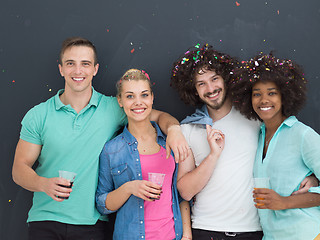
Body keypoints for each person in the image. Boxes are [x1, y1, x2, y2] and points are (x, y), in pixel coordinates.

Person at [12, 37, 189, 240]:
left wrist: (174, 130)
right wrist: (43, 184)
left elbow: (156, 115)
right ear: (61, 69)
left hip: (92, 225)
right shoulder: (39, 115)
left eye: (85, 64)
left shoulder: (113, 107)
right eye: (71, 64)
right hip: (46, 220)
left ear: (95, 69)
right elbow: (19, 170)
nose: (78, 71)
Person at [170, 44, 317, 240]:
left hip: (254, 231)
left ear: (226, 79)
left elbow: (289, 151)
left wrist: (313, 179)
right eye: (201, 83)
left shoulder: (256, 119)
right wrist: (213, 155)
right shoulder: (188, 130)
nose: (211, 88)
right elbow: (185, 192)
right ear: (194, 90)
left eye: (215, 79)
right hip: (206, 229)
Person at [230, 53, 320, 239]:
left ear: (285, 96)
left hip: (305, 234)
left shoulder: (302, 134)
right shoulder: (258, 134)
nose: (264, 100)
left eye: (272, 93)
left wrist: (285, 202)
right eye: (257, 94)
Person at [95, 69, 192, 240]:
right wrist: (129, 188)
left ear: (152, 98)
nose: (138, 102)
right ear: (120, 101)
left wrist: (187, 236)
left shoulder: (170, 141)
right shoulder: (112, 150)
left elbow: (181, 194)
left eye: (144, 95)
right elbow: (102, 205)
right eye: (130, 96)